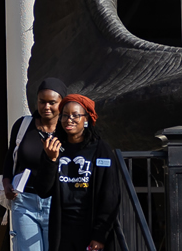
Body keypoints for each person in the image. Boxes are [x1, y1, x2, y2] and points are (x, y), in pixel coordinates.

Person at [47, 95, 120, 251]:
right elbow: (43, 190)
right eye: (65, 115)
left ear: (86, 119)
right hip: (62, 230)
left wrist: (100, 235)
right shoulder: (55, 147)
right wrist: (51, 161)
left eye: (75, 115)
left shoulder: (101, 149)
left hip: (90, 228)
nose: (69, 119)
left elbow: (110, 196)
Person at [8, 78, 66, 251]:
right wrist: (6, 183)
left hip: (56, 202)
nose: (46, 107)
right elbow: (10, 159)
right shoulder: (23, 125)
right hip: (24, 201)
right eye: (42, 102)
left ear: (62, 103)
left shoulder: (67, 130)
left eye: (52, 102)